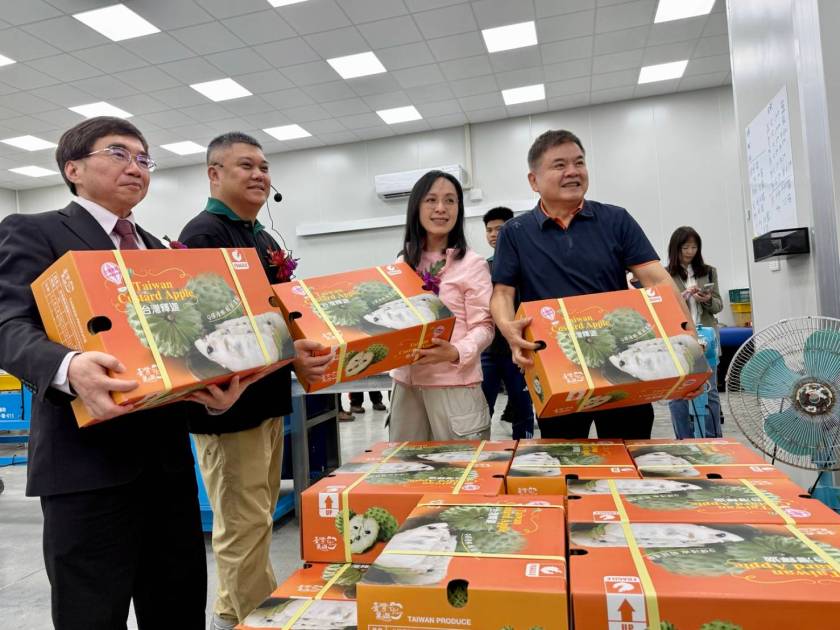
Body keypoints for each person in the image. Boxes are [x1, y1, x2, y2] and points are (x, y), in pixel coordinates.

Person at [0, 117, 258, 630]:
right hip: (84, 469)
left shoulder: (160, 251)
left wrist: (211, 392)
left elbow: (180, 348)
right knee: (91, 615)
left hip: (167, 468)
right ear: (73, 168)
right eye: (118, 153)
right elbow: (8, 324)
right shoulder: (35, 230)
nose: (136, 167)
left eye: (144, 159)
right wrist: (68, 366)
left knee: (178, 610)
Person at [178, 132, 332, 630]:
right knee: (242, 523)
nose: (259, 175)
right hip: (229, 408)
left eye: (264, 167)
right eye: (246, 165)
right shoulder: (203, 235)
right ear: (214, 173)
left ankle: (234, 611)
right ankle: (252, 618)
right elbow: (213, 330)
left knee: (257, 516)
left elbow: (278, 316)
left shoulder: (263, 238)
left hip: (267, 397)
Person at [490, 129, 692, 440]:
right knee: (568, 458)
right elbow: (502, 293)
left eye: (579, 162)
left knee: (630, 450)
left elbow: (656, 279)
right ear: (534, 180)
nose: (572, 171)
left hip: (623, 364)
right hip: (558, 369)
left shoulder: (616, 220)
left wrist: (689, 340)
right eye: (559, 165)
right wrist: (507, 327)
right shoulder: (515, 233)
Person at [389, 170, 494, 441]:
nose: (440, 208)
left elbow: (485, 327)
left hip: (453, 385)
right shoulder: (402, 263)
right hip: (406, 386)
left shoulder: (472, 264)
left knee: (460, 464)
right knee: (406, 464)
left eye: (450, 200)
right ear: (416, 207)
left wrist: (456, 351)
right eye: (431, 200)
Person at [480, 207, 534, 439]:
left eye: (499, 229)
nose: (494, 234)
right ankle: (479, 450)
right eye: (489, 230)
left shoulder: (529, 263)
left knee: (522, 405)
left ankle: (524, 450)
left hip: (519, 346)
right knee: (483, 407)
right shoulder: (483, 267)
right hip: (489, 348)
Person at [666, 226, 723, 438]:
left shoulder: (708, 271)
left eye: (694, 247)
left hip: (706, 335)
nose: (690, 251)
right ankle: (683, 438)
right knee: (677, 392)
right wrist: (683, 297)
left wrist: (707, 299)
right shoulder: (665, 274)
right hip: (679, 338)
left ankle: (713, 437)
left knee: (711, 390)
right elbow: (662, 306)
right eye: (685, 247)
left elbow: (718, 305)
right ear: (676, 249)